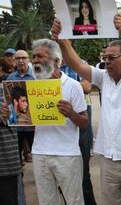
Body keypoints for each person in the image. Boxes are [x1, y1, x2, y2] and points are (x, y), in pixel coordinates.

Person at [52, 13, 121, 205]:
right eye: (105, 57)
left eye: (112, 57)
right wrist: (61, 39)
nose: (106, 61)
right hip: (107, 159)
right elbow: (77, 65)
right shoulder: (103, 77)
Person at [3, 39, 89, 205]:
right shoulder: (31, 87)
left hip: (67, 155)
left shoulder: (72, 86)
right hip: (40, 153)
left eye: (40, 56)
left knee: (74, 200)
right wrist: (10, 115)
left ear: (56, 61)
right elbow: (28, 122)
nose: (35, 60)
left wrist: (71, 113)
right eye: (33, 56)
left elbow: (84, 122)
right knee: (46, 201)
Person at [60, 59, 97, 205]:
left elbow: (87, 87)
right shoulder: (46, 68)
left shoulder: (80, 63)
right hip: (56, 117)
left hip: (80, 112)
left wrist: (62, 85)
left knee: (82, 170)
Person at [7, 50, 35, 166]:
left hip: (33, 125)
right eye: (18, 58)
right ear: (14, 61)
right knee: (16, 158)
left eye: (24, 57)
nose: (21, 61)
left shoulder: (36, 76)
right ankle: (19, 181)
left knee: (38, 156)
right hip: (16, 127)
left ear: (29, 60)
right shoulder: (10, 78)